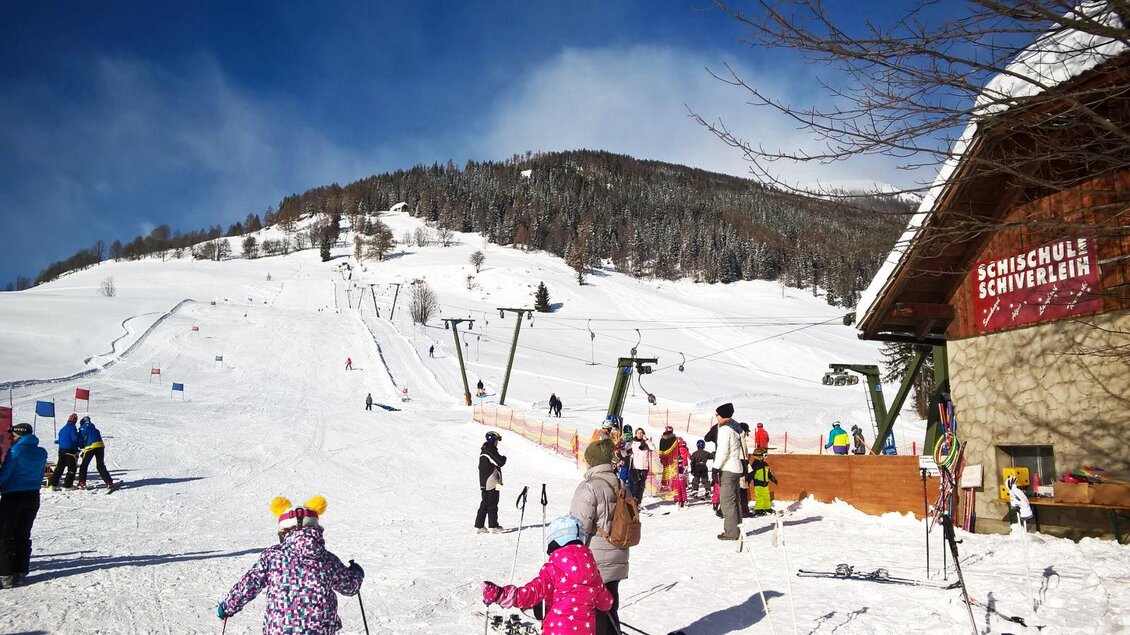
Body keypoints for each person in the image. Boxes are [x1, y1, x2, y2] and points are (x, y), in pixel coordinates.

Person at [218, 495, 364, 632]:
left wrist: (227, 607)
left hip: (280, 630)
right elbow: (350, 587)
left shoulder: (272, 556)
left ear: (283, 532)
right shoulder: (328, 560)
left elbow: (249, 584)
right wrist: (356, 573)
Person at [482, 515, 613, 635]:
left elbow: (531, 593)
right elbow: (606, 603)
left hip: (556, 630)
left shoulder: (553, 569)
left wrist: (501, 594)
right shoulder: (592, 571)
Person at [569, 439, 629, 634]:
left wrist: (572, 561)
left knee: (593, 613)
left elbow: (579, 529)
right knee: (610, 606)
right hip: (618, 554)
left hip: (594, 560)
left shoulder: (588, 487)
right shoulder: (621, 484)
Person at [0, 423, 48, 589]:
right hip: (33, 496)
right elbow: (41, 473)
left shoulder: (15, 451)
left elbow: (5, 474)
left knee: (5, 534)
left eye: (13, 435)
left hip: (13, 496)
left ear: (19, 435)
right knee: (22, 533)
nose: (11, 438)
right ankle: (20, 571)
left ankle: (5, 574)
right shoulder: (41, 452)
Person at [713, 403, 745, 541]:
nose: (716, 417)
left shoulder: (725, 429)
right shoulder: (736, 428)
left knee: (727, 502)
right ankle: (738, 529)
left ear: (722, 415)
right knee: (735, 500)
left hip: (728, 468)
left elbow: (723, 450)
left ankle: (731, 532)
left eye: (717, 414)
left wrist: (715, 467)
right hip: (736, 467)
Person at [475, 431, 506, 534]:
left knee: (485, 503)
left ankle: (479, 525)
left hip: (485, 483)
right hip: (493, 482)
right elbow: (500, 462)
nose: (497, 443)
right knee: (493, 502)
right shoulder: (490, 450)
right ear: (493, 441)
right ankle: (493, 526)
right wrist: (504, 458)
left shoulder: (484, 451)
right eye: (497, 441)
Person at [76, 416, 115, 491]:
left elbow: (81, 440)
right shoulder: (95, 429)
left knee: (84, 465)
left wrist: (80, 446)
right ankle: (109, 482)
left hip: (90, 447)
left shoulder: (83, 428)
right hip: (100, 446)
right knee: (100, 465)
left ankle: (82, 482)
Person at [49, 413, 81, 490]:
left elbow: (59, 440)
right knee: (72, 468)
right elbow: (75, 439)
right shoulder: (72, 428)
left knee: (60, 467)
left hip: (61, 450)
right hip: (70, 450)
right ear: (75, 421)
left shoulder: (62, 429)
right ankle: (67, 485)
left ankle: (53, 484)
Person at [749, 447, 778, 516]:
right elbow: (751, 473)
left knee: (766, 496)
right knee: (760, 496)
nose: (765, 457)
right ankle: (758, 509)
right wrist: (748, 479)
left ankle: (767, 507)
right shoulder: (755, 464)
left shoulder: (765, 464)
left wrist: (772, 478)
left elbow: (768, 473)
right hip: (758, 483)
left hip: (765, 483)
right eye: (764, 455)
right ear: (759, 456)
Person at [628, 428, 652, 503]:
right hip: (635, 467)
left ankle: (639, 503)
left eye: (641, 433)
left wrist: (647, 440)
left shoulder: (646, 443)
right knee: (634, 485)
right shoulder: (633, 442)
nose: (640, 434)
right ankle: (633, 502)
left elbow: (652, 448)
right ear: (635, 434)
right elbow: (625, 451)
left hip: (644, 467)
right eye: (638, 433)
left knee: (641, 487)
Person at [672, 438, 690, 508]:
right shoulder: (686, 449)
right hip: (684, 466)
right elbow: (690, 456)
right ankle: (684, 499)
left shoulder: (677, 450)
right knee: (683, 487)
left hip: (677, 472)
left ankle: (678, 499)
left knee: (677, 487)